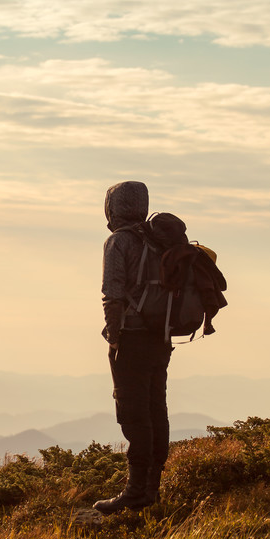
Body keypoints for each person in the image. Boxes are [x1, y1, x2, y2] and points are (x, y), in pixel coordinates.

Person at [93, 180, 173, 514]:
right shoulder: (159, 241)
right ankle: (152, 487)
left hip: (132, 337)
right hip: (161, 337)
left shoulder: (119, 242)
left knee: (133, 413)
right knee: (156, 407)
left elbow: (112, 292)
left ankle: (135, 492)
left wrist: (115, 337)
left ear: (113, 206)